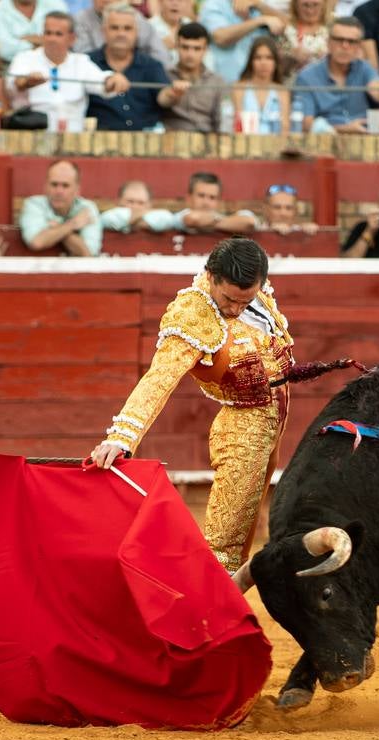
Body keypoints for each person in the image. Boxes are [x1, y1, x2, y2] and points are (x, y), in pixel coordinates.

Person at [90, 237, 295, 574]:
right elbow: (160, 378)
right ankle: (207, 602)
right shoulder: (192, 315)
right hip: (243, 427)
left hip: (275, 419)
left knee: (244, 528)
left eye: (245, 301)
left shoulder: (253, 292)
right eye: (229, 299)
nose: (235, 309)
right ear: (211, 276)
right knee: (224, 543)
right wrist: (121, 437)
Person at [8, 11, 125, 130]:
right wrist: (27, 81)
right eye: (48, 33)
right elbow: (14, 84)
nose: (52, 39)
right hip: (33, 133)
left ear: (72, 38)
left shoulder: (80, 62)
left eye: (58, 34)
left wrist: (112, 79)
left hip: (73, 136)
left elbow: (101, 82)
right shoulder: (25, 58)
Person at [86, 3, 182, 131]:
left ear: (136, 32)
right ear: (103, 31)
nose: (121, 33)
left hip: (146, 138)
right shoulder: (87, 63)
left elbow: (163, 98)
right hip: (99, 139)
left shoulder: (151, 65)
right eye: (114, 28)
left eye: (127, 28)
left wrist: (172, 94)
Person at [291, 16, 379, 133]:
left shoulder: (364, 68)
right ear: (328, 42)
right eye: (339, 40)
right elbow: (305, 125)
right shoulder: (307, 76)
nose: (345, 46)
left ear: (359, 46)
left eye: (351, 41)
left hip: (363, 137)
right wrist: (345, 129)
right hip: (324, 140)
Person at [19, 159, 103, 255]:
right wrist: (72, 225)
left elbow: (89, 254)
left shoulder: (87, 209)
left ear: (77, 190)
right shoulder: (34, 204)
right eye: (54, 184)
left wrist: (57, 228)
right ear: (45, 186)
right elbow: (36, 242)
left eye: (65, 186)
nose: (59, 191)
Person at [161, 22, 228, 132]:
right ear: (176, 47)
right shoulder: (164, 75)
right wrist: (172, 94)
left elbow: (222, 120)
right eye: (185, 47)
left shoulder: (217, 81)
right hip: (171, 138)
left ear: (206, 50)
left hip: (207, 139)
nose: (190, 54)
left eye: (197, 49)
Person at [200, 0, 287, 83]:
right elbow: (221, 37)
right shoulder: (214, 4)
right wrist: (260, 21)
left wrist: (258, 4)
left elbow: (288, 25)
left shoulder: (257, 4)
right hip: (228, 83)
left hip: (261, 85)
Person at [232, 34, 291, 132]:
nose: (263, 63)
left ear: (275, 62)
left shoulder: (282, 92)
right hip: (245, 140)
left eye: (269, 58)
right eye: (258, 58)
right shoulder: (239, 88)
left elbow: (285, 128)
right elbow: (237, 126)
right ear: (251, 61)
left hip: (275, 140)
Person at [0, 0, 66, 65]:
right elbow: (4, 50)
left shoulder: (56, 4)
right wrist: (46, 43)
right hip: (11, 67)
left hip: (56, 63)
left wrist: (24, 39)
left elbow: (65, 40)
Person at [73, 0, 163, 58]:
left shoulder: (134, 16)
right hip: (95, 73)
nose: (106, 0)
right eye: (114, 28)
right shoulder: (80, 19)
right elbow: (82, 57)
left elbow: (160, 54)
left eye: (127, 28)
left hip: (135, 72)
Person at [175, 171, 257, 233]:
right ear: (189, 198)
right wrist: (228, 223)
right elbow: (193, 219)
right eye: (201, 196)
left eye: (212, 197)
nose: (206, 202)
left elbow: (249, 222)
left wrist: (213, 222)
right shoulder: (178, 217)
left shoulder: (219, 217)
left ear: (219, 202)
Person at [277, 0, 333, 78]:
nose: (310, 11)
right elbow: (275, 67)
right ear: (296, 6)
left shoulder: (335, 29)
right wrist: (292, 57)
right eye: (305, 5)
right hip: (294, 81)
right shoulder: (285, 30)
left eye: (315, 5)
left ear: (324, 5)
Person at [99, 179, 179, 231]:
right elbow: (108, 220)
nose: (135, 206)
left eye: (141, 203)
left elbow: (166, 219)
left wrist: (131, 221)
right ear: (119, 201)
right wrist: (142, 214)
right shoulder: (108, 216)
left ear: (149, 204)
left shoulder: (163, 215)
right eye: (130, 201)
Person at [148, 0, 191, 65]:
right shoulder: (149, 27)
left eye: (180, 0)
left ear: (187, 4)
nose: (175, 3)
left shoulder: (192, 26)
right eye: (170, 0)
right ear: (160, 2)